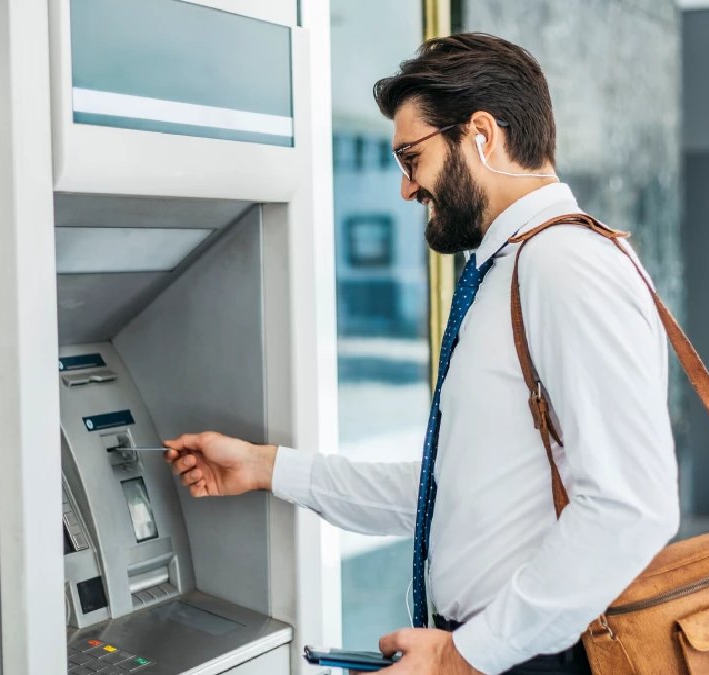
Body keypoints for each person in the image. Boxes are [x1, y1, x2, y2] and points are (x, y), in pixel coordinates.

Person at [164, 33, 679, 675]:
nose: (407, 188)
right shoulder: (514, 267)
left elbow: (631, 506)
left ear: (481, 135)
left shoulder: (564, 265)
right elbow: (455, 490)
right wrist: (268, 467)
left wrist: (466, 656)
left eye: (412, 158)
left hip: (530, 657)